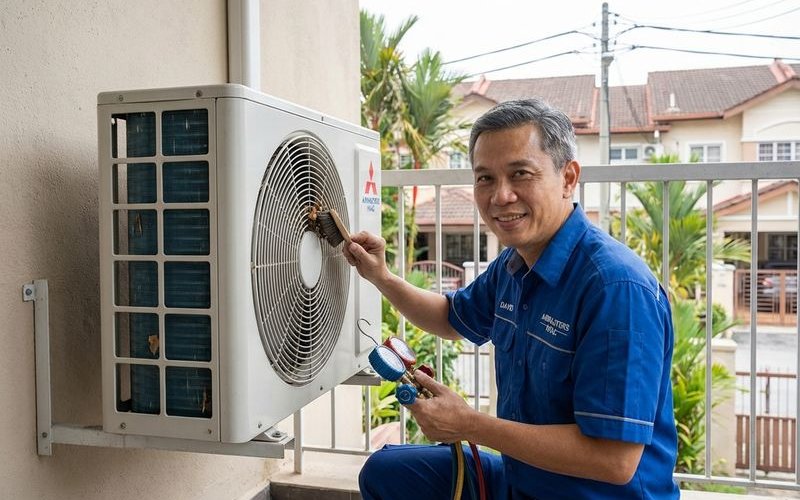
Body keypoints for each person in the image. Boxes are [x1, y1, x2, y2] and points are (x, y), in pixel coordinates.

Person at [344, 98, 679, 499]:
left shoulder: (616, 289)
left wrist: (470, 424)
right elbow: (452, 319)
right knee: (387, 473)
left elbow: (614, 460)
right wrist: (380, 275)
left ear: (568, 178)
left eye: (520, 173)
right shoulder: (513, 265)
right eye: (485, 178)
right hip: (524, 480)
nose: (500, 196)